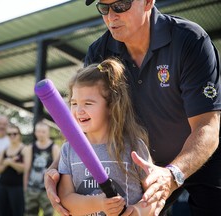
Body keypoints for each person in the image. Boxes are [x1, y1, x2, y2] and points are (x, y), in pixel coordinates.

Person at [45, 0, 221, 215]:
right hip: (139, 164)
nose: (111, 16)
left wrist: (172, 174)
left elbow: (208, 125)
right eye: (104, 8)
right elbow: (87, 122)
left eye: (121, 6)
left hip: (201, 156)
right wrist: (58, 168)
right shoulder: (99, 52)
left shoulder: (190, 40)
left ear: (148, 2)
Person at [58, 58, 158, 215]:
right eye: (74, 103)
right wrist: (98, 203)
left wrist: (138, 211)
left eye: (88, 103)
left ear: (111, 106)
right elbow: (66, 198)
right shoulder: (68, 150)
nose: (79, 110)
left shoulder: (133, 146)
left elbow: (154, 195)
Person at [23, 120, 60, 216]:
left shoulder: (54, 147)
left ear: (48, 133)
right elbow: (27, 169)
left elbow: (58, 169)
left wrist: (56, 189)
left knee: (48, 213)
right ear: (35, 132)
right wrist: (25, 186)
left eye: (43, 131)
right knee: (29, 213)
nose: (40, 134)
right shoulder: (31, 147)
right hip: (32, 188)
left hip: (47, 189)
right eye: (38, 131)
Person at [0, 124, 28, 216]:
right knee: (0, 213)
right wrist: (7, 163)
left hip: (17, 187)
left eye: (14, 133)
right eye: (9, 134)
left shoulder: (25, 149)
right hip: (2, 185)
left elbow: (25, 168)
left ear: (19, 135)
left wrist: (10, 162)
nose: (12, 136)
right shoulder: (4, 150)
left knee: (17, 213)